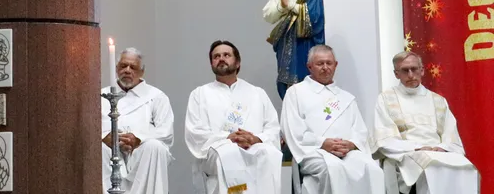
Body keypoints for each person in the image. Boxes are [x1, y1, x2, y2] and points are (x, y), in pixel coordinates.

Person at [280, 45, 383, 194]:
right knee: (333, 169)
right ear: (309, 66)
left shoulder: (346, 98)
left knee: (373, 170)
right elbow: (292, 130)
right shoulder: (296, 93)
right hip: (312, 152)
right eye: (320, 63)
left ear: (336, 65)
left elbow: (359, 130)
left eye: (329, 63)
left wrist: (350, 144)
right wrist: (323, 143)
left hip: (347, 152)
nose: (325, 67)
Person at [372, 51, 478, 194]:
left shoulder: (438, 100)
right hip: (407, 153)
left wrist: (442, 148)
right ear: (396, 74)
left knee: (467, 167)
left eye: (414, 69)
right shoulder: (386, 99)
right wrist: (418, 148)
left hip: (438, 152)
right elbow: (385, 140)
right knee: (429, 167)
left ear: (422, 71)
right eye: (405, 70)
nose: (410, 75)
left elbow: (451, 136)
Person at [185, 40, 281, 194]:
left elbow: (273, 127)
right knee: (230, 153)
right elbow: (195, 133)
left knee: (269, 154)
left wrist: (255, 139)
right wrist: (228, 138)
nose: (221, 58)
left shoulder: (257, 93)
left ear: (237, 63)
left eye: (226, 55)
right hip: (216, 150)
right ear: (211, 64)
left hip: (254, 147)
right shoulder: (200, 94)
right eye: (216, 56)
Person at [100, 48, 174, 194]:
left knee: (155, 147)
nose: (127, 70)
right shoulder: (101, 95)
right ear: (116, 69)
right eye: (123, 66)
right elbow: (88, 128)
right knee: (97, 148)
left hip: (142, 155)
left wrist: (138, 139)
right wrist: (104, 137)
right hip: (109, 153)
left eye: (133, 67)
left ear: (142, 72)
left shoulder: (157, 97)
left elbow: (166, 132)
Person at [262, 0, 325, 99]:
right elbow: (268, 14)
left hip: (305, 41)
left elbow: (314, 16)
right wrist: (283, 7)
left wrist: (289, 4)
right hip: (286, 40)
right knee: (286, 82)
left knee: (307, 79)